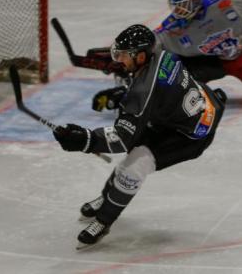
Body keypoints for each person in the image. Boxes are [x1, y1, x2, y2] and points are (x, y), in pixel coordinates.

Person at [52, 24, 227, 249]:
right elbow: (153, 90)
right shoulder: (161, 52)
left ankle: (104, 221)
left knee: (134, 167)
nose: (120, 61)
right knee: (132, 157)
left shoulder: (143, 91)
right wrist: (124, 95)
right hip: (197, 108)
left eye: (124, 56)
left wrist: (86, 139)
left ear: (141, 56)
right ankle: (108, 197)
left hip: (189, 137)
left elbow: (122, 137)